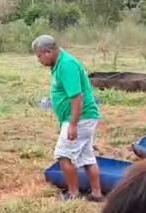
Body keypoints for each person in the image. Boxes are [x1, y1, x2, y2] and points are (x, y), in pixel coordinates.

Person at [31, 35, 103, 202]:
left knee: (63, 155)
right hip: (82, 117)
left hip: (80, 118)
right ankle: (97, 194)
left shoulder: (67, 65)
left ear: (48, 52)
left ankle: (73, 194)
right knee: (87, 157)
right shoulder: (59, 63)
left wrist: (73, 125)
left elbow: (77, 97)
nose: (39, 60)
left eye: (39, 56)